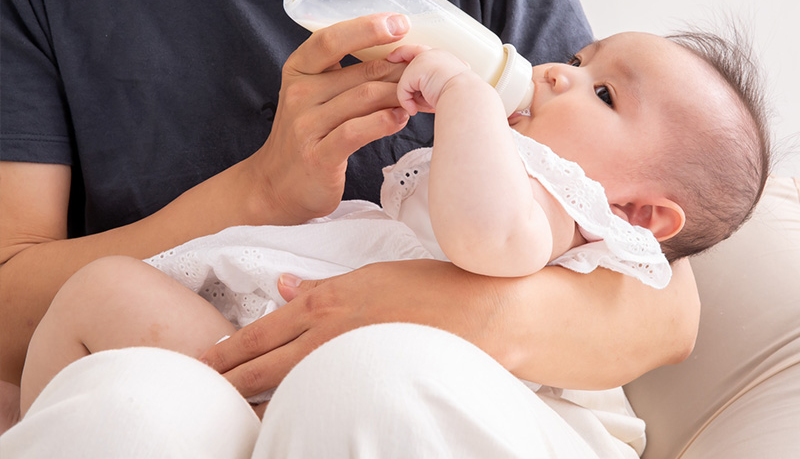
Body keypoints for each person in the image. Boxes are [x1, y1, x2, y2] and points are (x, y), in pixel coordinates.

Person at [0, 0, 744, 455]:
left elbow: (662, 304)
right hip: (227, 359)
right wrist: (259, 193)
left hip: (433, 395)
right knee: (139, 407)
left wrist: (426, 307)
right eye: (580, 64)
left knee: (369, 380)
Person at [18, 28, 771, 433]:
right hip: (275, 345)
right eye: (578, 58)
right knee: (102, 290)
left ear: (641, 216)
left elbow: (492, 242)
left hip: (367, 391)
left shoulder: (569, 211)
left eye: (602, 92)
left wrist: (465, 96)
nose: (553, 71)